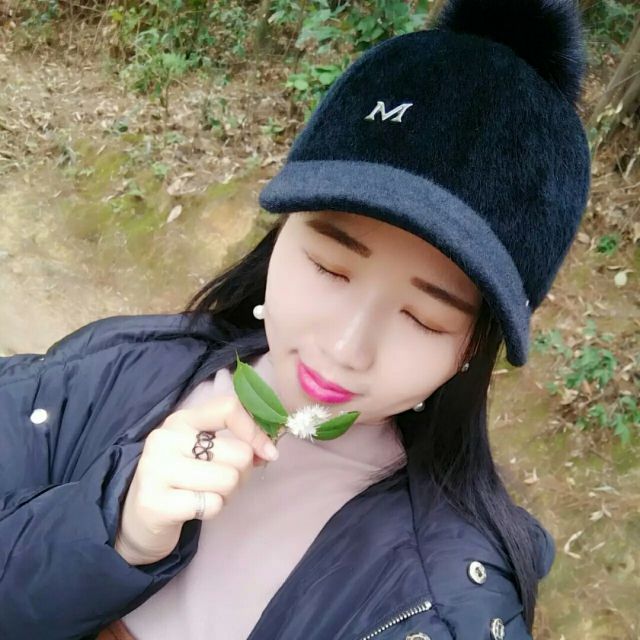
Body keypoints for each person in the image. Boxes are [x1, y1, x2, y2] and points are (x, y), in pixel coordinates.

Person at [0, 0, 592, 638]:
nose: (345, 348)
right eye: (331, 269)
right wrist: (111, 529)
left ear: (471, 351)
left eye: (423, 318)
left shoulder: (447, 603)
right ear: (281, 235)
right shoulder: (104, 371)